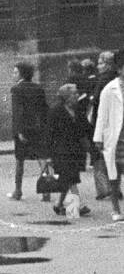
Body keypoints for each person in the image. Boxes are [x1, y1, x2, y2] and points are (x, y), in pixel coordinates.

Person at [47, 83, 92, 217]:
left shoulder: (78, 110)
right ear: (66, 97)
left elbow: (86, 128)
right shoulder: (55, 111)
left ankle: (58, 204)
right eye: (74, 93)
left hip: (75, 149)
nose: (77, 95)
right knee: (70, 177)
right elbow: (49, 133)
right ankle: (75, 208)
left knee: (68, 178)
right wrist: (48, 155)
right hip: (60, 150)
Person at [8, 61, 48, 201]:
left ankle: (18, 191)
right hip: (38, 129)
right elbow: (44, 110)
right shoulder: (38, 88)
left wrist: (19, 131)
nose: (13, 74)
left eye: (15, 72)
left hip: (23, 130)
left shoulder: (16, 89)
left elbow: (18, 112)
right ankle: (46, 192)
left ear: (21, 74)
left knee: (20, 160)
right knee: (42, 158)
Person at [92, 54, 123, 221]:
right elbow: (101, 115)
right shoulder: (109, 89)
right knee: (115, 174)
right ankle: (116, 209)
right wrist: (98, 137)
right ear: (119, 70)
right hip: (116, 137)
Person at [86, 51, 117, 200]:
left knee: (97, 155)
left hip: (102, 122)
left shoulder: (103, 80)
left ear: (108, 64)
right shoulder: (117, 78)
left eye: (100, 63)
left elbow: (95, 102)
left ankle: (103, 188)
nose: (98, 66)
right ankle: (115, 188)